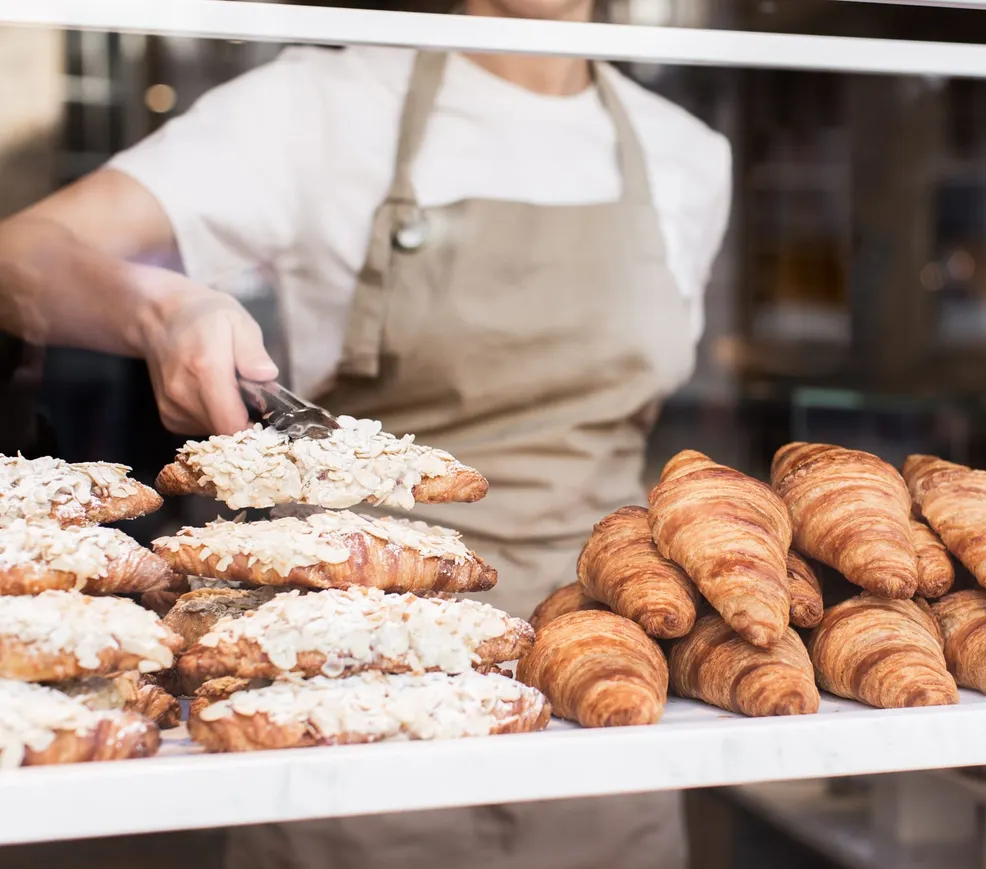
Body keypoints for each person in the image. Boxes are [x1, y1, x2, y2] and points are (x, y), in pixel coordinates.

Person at [0, 0, 732, 866]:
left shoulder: (687, 155)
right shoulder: (320, 106)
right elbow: (21, 255)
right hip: (350, 707)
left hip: (604, 711)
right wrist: (165, 308)